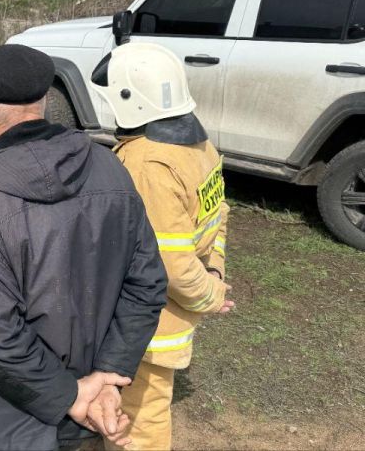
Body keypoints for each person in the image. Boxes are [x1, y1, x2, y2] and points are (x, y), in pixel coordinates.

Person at [0, 44, 169, 450]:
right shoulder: (110, 165)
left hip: (8, 417)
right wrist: (107, 377)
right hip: (89, 414)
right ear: (43, 102)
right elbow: (146, 285)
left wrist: (71, 394)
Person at [91, 42, 233, 450]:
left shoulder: (147, 164)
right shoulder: (199, 145)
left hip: (147, 328)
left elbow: (168, 264)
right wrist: (216, 271)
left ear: (129, 100)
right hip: (173, 312)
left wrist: (211, 296)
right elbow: (218, 214)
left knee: (138, 421)